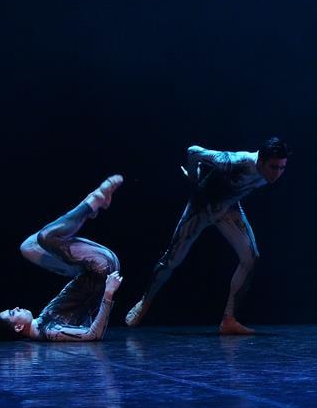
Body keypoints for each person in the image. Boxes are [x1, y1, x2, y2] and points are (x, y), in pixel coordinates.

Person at [124, 137, 289, 335]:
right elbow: (193, 151)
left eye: (282, 168)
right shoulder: (235, 161)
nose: (277, 173)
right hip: (202, 206)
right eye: (273, 167)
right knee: (172, 259)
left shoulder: (267, 172)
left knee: (250, 257)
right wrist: (194, 176)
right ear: (261, 160)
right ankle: (145, 300)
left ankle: (229, 319)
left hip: (227, 207)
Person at [0, 176, 124, 342]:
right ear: (17, 327)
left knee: (27, 247)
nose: (16, 308)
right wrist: (108, 293)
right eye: (12, 313)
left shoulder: (41, 323)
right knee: (46, 237)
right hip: (102, 268)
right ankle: (91, 203)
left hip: (89, 270)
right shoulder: (49, 331)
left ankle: (90, 207)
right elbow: (93, 334)